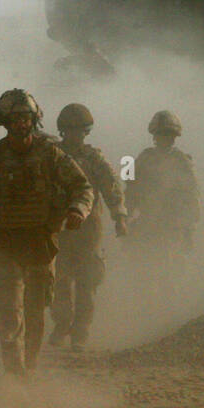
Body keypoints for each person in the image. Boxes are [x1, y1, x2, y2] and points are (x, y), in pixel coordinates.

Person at [0, 89, 94, 376]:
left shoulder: (50, 154)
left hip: (41, 244)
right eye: (16, 118)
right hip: (6, 243)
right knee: (8, 312)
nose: (22, 124)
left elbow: (82, 187)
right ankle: (15, 374)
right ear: (5, 122)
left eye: (27, 118)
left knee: (35, 313)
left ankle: (28, 367)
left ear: (34, 120)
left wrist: (77, 210)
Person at [49, 103, 127, 351]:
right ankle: (62, 325)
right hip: (58, 226)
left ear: (87, 131)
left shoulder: (94, 159)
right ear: (63, 131)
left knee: (87, 282)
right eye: (71, 130)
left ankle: (80, 332)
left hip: (88, 227)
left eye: (81, 130)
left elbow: (111, 188)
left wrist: (120, 218)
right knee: (58, 281)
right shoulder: (51, 155)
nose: (76, 135)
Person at [125, 110, 200, 291]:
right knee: (143, 267)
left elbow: (192, 195)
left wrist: (189, 227)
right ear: (155, 135)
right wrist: (125, 215)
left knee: (170, 268)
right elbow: (131, 190)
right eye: (161, 134)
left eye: (168, 135)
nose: (165, 138)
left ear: (174, 137)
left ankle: (167, 306)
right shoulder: (144, 158)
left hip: (172, 224)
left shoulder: (182, 161)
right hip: (148, 222)